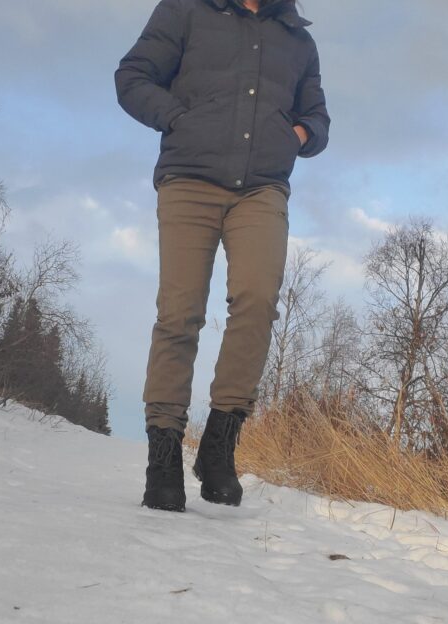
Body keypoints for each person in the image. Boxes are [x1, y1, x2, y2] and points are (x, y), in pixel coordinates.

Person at [115, 0, 330, 512]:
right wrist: (179, 118)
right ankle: (163, 456)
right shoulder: (186, 10)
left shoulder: (298, 39)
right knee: (180, 312)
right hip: (189, 178)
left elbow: (317, 118)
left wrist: (297, 135)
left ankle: (218, 444)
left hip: (261, 189)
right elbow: (133, 77)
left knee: (257, 299)